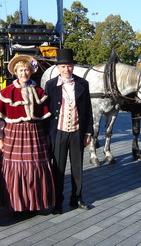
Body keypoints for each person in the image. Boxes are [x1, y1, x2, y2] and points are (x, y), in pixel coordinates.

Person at [0, 54, 55, 212]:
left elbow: (45, 118)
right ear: (15, 72)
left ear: (31, 71)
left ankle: (35, 203)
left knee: (36, 166)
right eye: (20, 70)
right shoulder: (7, 92)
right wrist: (0, 137)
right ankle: (17, 205)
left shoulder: (39, 91)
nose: (24, 73)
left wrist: (47, 135)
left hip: (35, 133)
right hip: (15, 134)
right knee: (16, 167)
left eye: (26, 70)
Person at [44, 49, 94, 214]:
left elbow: (88, 109)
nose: (66, 69)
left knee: (77, 167)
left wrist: (88, 132)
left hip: (77, 131)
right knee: (58, 167)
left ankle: (77, 198)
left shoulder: (82, 83)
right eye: (63, 66)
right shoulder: (51, 85)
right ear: (58, 68)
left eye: (69, 66)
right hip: (58, 131)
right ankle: (57, 201)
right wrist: (46, 133)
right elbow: (46, 110)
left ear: (73, 67)